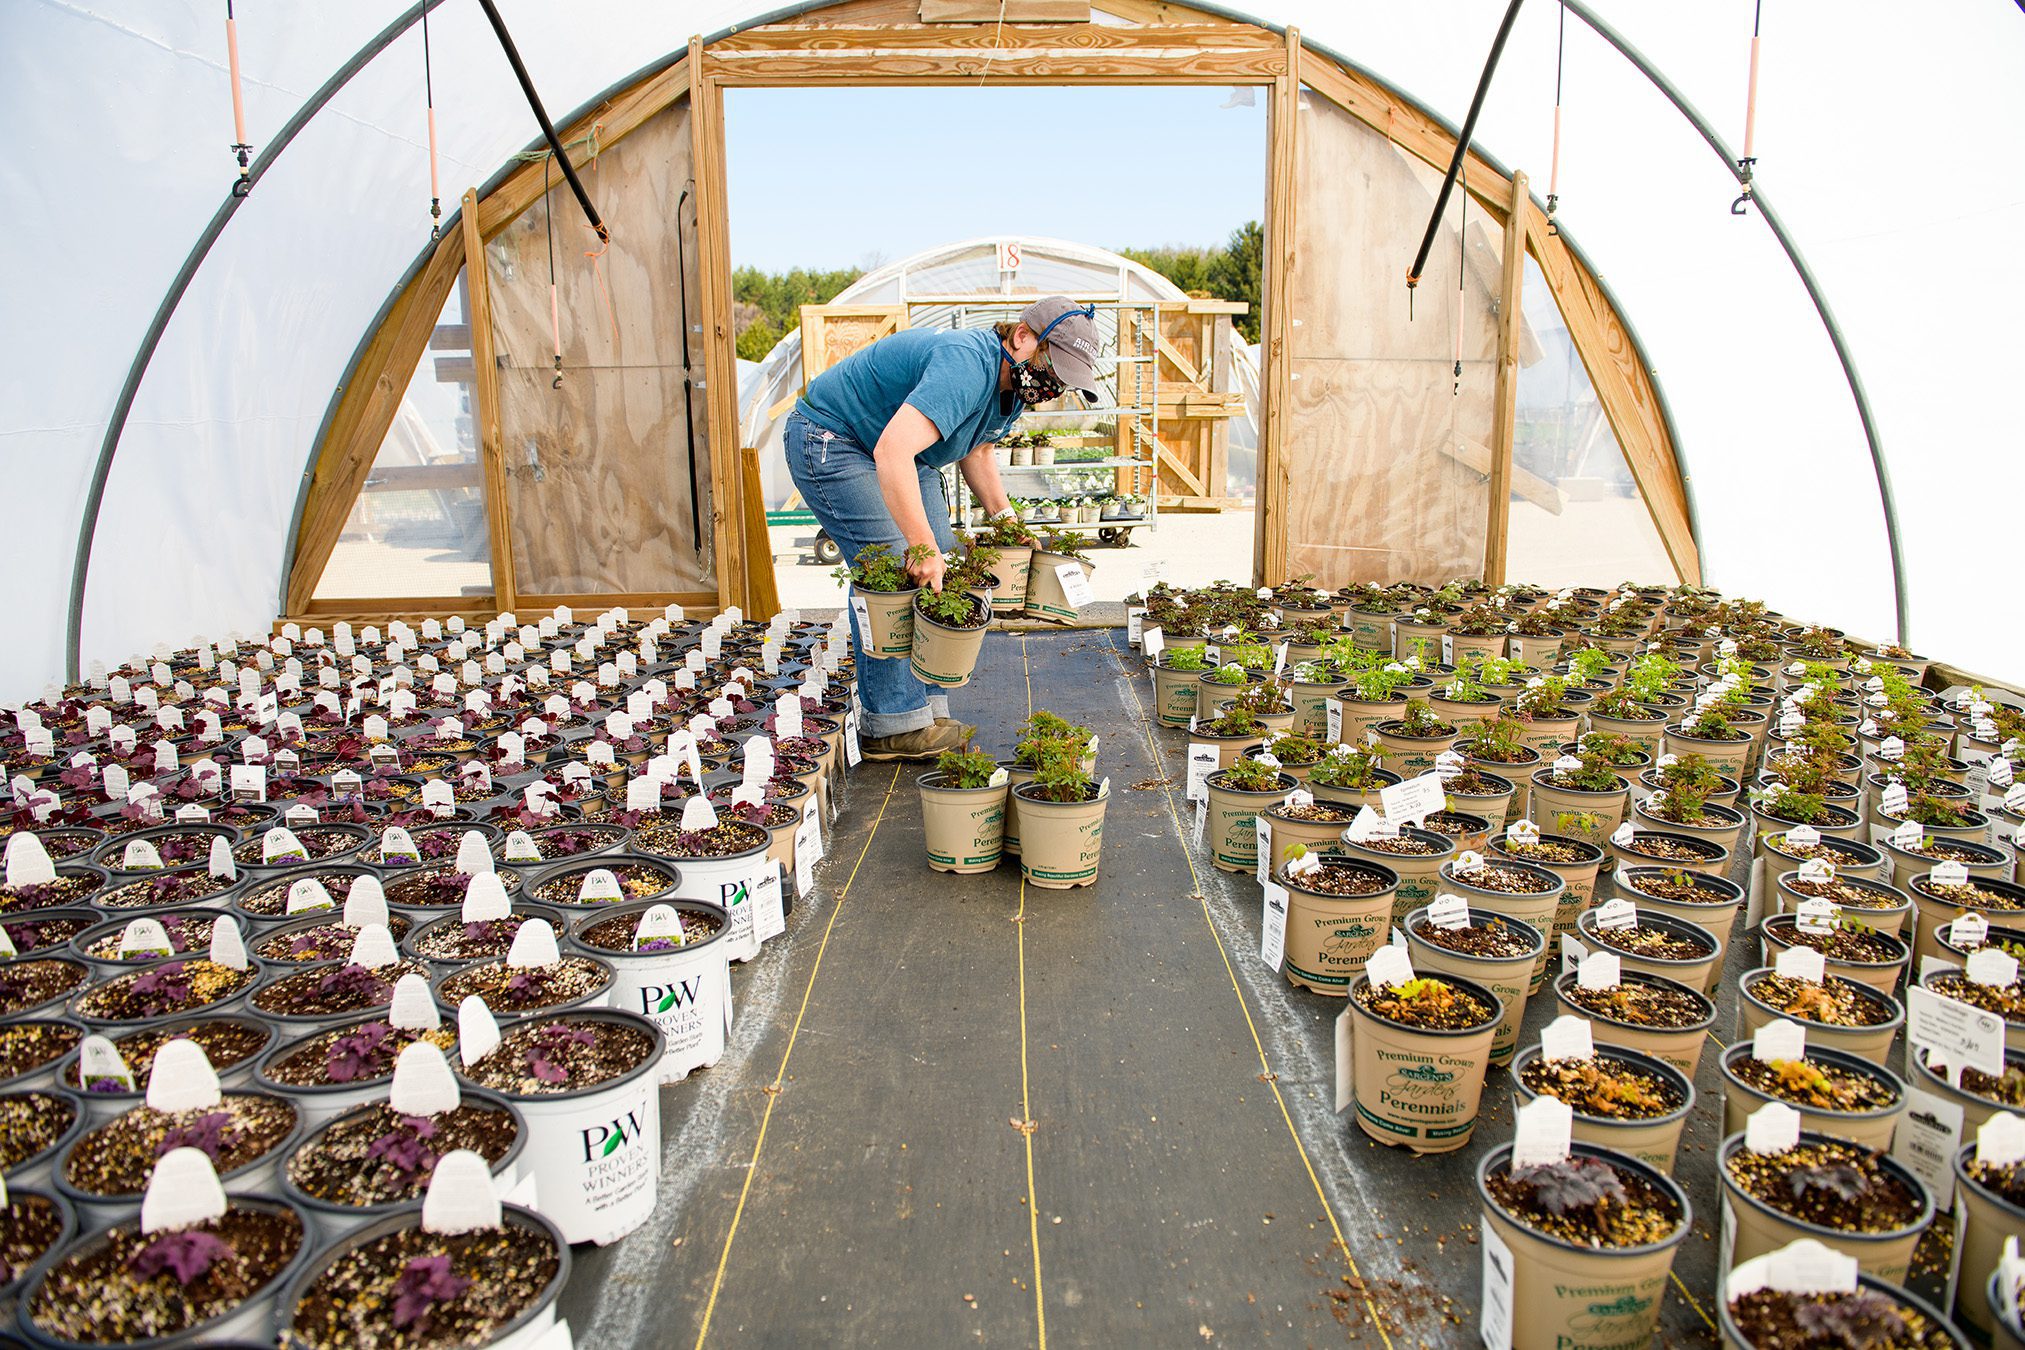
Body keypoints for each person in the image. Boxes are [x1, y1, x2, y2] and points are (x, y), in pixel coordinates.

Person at [784, 296, 1103, 760]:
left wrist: (1006, 522)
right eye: (1053, 370)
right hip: (835, 438)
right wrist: (920, 545)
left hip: (896, 452)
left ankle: (926, 710)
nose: (1053, 386)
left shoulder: (1011, 384)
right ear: (1021, 337)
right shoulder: (967, 365)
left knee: (943, 566)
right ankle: (890, 723)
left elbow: (978, 451)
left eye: (1064, 382)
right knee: (897, 567)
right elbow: (891, 452)